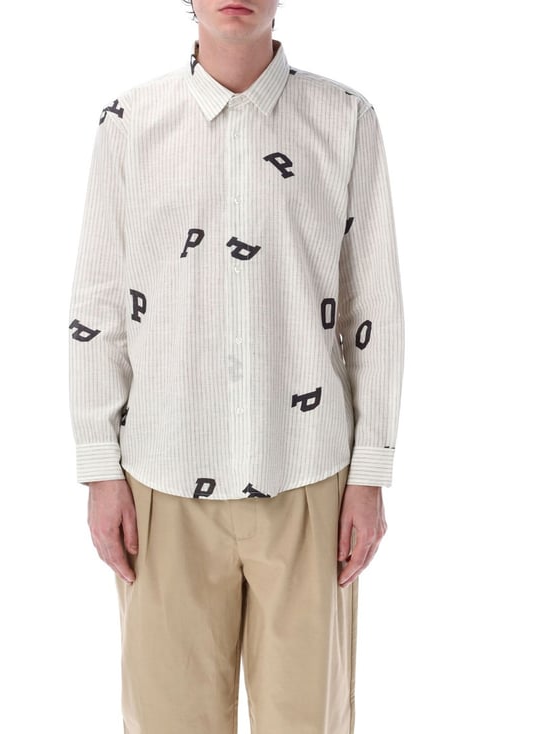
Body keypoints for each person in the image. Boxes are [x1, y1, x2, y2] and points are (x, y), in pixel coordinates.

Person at [67, 1, 404, 731]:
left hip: (308, 479)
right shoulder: (130, 123)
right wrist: (99, 468)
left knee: (308, 720)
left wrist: (370, 474)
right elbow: (99, 303)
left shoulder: (346, 120)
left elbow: (372, 308)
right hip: (161, 486)